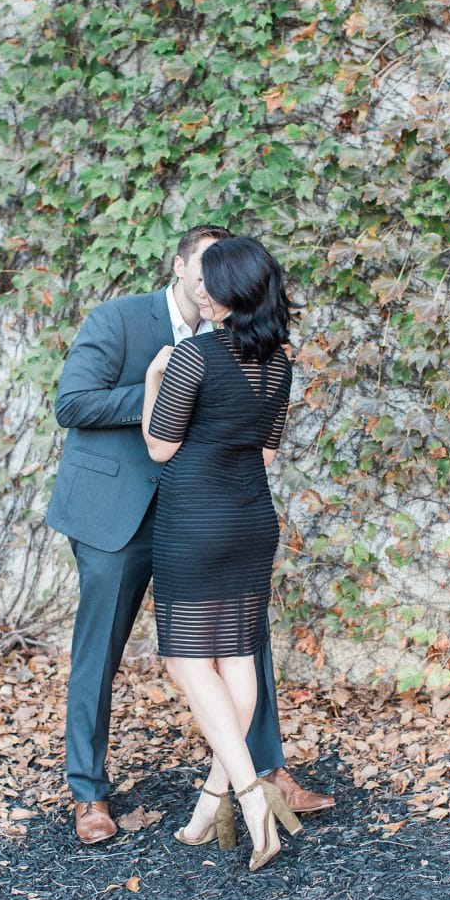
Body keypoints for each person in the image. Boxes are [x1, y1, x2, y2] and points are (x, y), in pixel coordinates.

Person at [47, 226, 335, 845]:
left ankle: (259, 772)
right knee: (100, 653)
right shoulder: (121, 319)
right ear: (179, 265)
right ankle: (88, 793)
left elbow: (191, 432)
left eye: (219, 271)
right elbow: (72, 403)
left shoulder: (234, 344)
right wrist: (165, 386)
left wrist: (187, 392)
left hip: (203, 515)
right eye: (200, 267)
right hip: (119, 513)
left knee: (243, 644)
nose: (207, 282)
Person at [143, 236, 315, 871]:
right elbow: (265, 454)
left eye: (212, 282)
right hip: (250, 518)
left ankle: (248, 798)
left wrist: (154, 379)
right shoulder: (279, 363)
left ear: (230, 292)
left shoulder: (192, 358)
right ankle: (210, 802)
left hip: (194, 520)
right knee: (237, 660)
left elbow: (160, 449)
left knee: (189, 664)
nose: (204, 290)